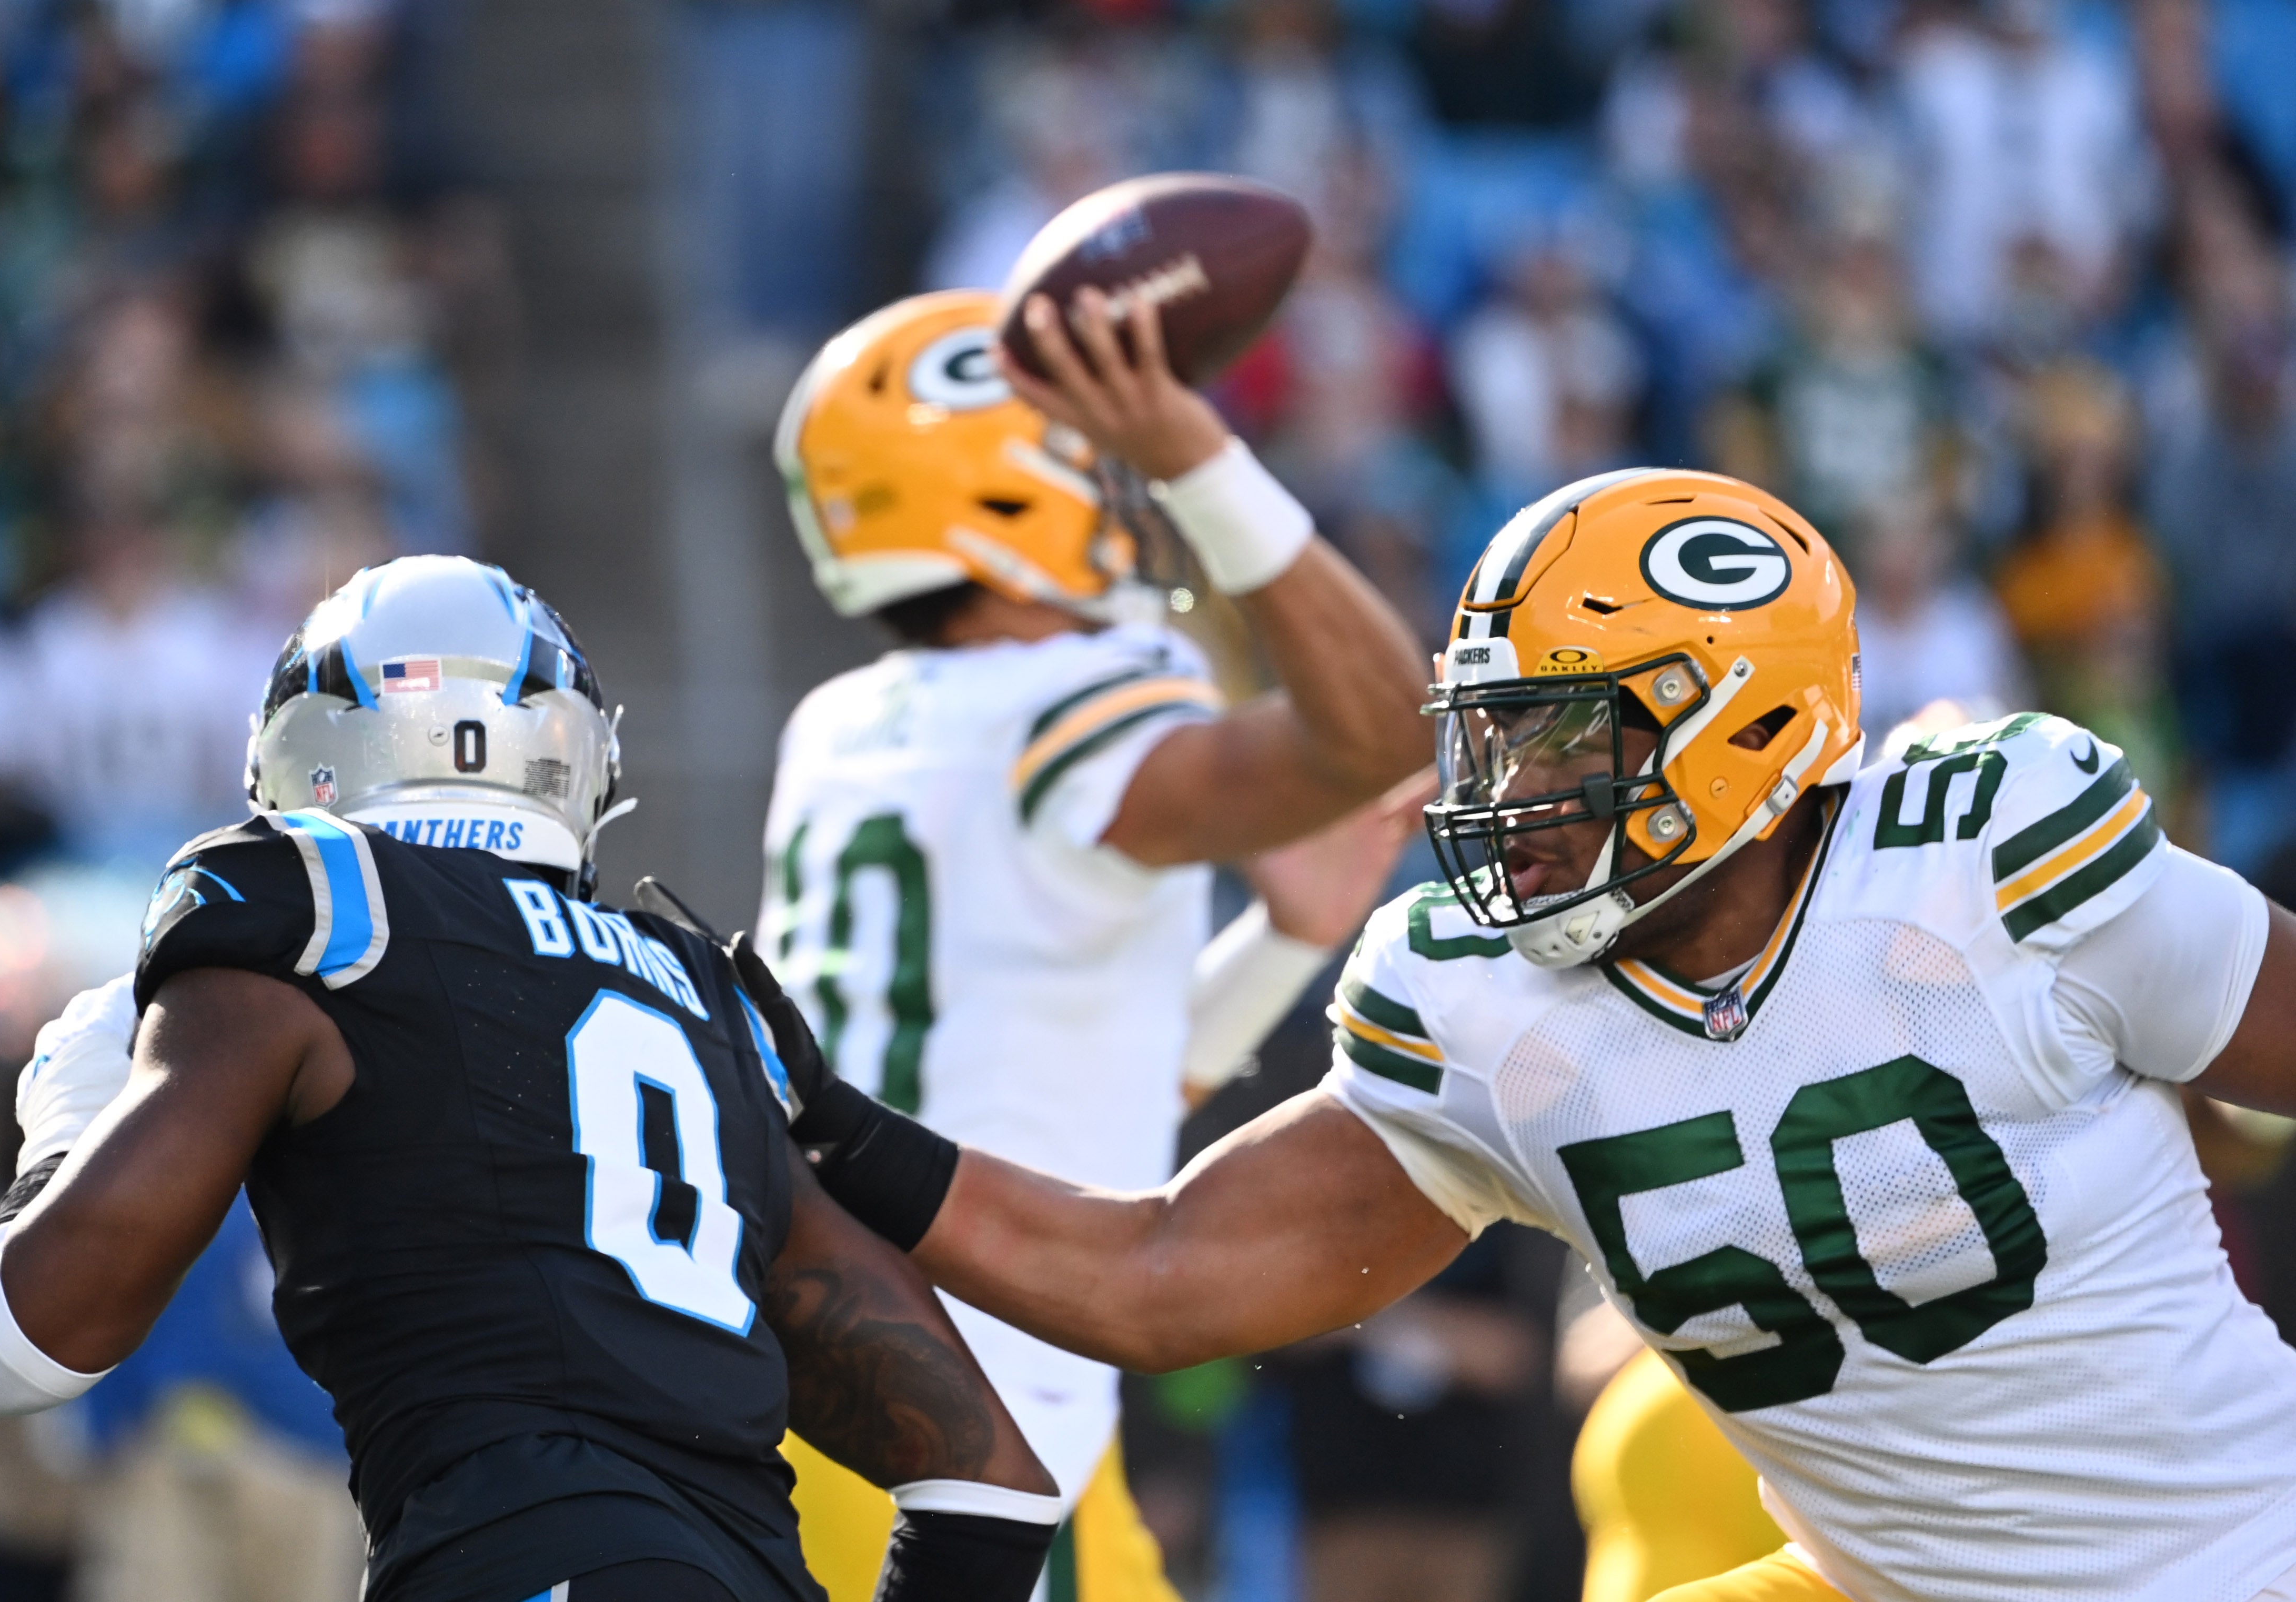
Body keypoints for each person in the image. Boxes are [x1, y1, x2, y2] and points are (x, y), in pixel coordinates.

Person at [743, 468, 2296, 1601]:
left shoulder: (1992, 856)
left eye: (1561, 736)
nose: (1511, 797)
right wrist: (838, 1132)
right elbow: (1154, 1272)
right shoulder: (1484, 1007)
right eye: (1490, 736)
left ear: (1740, 718)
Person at [0, 556, 1069, 1602]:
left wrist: (68, 1109)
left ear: (304, 754)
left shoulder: (321, 905)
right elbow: (989, 1483)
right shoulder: (700, 994)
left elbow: (22, 1344)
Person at [763, 285, 1430, 1599]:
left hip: (834, 1358)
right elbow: (1386, 730)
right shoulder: (1077, 696)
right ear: (1003, 488)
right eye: (1085, 452)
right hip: (977, 1401)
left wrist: (1290, 941)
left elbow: (1079, 1069)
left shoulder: (841, 726)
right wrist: (1205, 460)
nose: (1120, 484)